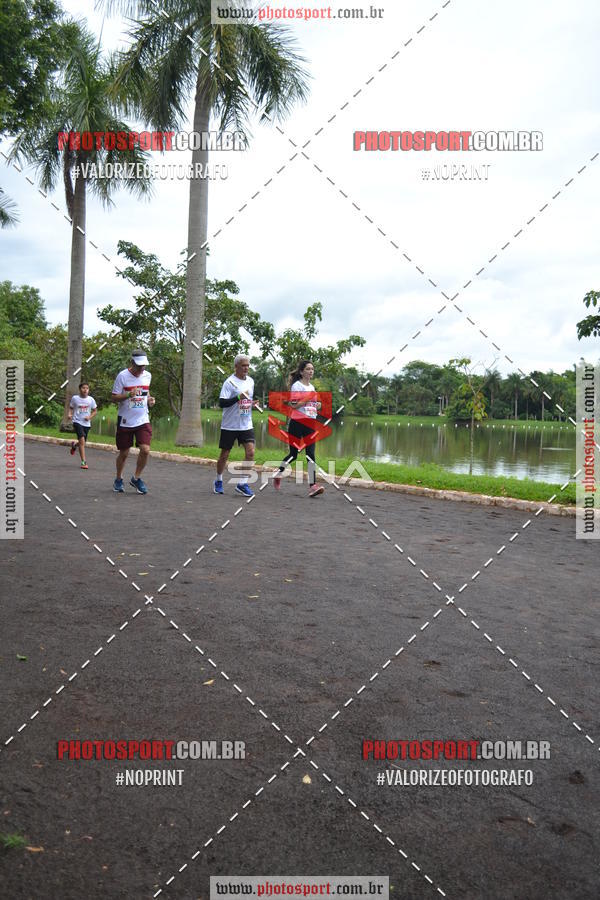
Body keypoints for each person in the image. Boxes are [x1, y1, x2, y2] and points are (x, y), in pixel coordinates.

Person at [274, 360, 325, 497]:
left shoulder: (312, 387)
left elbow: (314, 405)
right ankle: (279, 473)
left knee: (311, 455)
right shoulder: (297, 386)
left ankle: (313, 486)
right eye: (308, 369)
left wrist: (317, 404)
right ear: (302, 372)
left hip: (311, 423)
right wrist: (308, 399)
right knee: (293, 454)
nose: (311, 371)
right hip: (297, 422)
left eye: (312, 369)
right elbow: (294, 405)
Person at [214, 354, 260, 497]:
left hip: (246, 424)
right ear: (236, 367)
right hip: (230, 425)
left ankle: (242, 483)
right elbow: (222, 403)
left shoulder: (251, 381)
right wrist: (238, 397)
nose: (246, 368)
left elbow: (245, 401)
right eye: (243, 365)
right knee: (225, 454)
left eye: (247, 365)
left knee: (250, 452)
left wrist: (251, 404)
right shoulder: (229, 382)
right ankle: (218, 480)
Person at [111, 349, 155, 494]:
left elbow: (146, 391)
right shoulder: (122, 376)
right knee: (124, 453)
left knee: (145, 449)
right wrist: (128, 394)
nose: (142, 368)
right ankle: (118, 479)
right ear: (132, 363)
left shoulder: (148, 375)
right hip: (125, 420)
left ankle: (136, 478)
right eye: (139, 365)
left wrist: (149, 399)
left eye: (144, 365)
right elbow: (114, 397)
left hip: (142, 418)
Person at [68, 381, 97, 469]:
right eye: (83, 388)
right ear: (80, 389)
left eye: (87, 388)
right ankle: (83, 462)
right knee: (82, 441)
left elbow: (95, 411)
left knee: (82, 442)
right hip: (77, 421)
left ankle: (74, 446)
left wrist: (90, 417)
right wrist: (69, 414)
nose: (85, 390)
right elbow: (71, 408)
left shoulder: (91, 399)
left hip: (87, 423)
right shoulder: (75, 398)